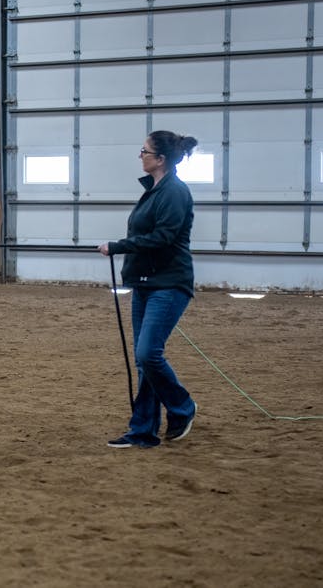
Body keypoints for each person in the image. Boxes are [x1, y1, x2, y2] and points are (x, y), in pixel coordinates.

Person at [98, 130, 198, 449]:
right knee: (144, 361)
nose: (140, 156)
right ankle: (143, 430)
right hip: (146, 282)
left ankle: (182, 407)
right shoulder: (155, 190)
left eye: (145, 151)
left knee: (148, 353)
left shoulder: (174, 192)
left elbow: (163, 237)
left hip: (168, 284)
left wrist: (118, 246)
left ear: (160, 159)